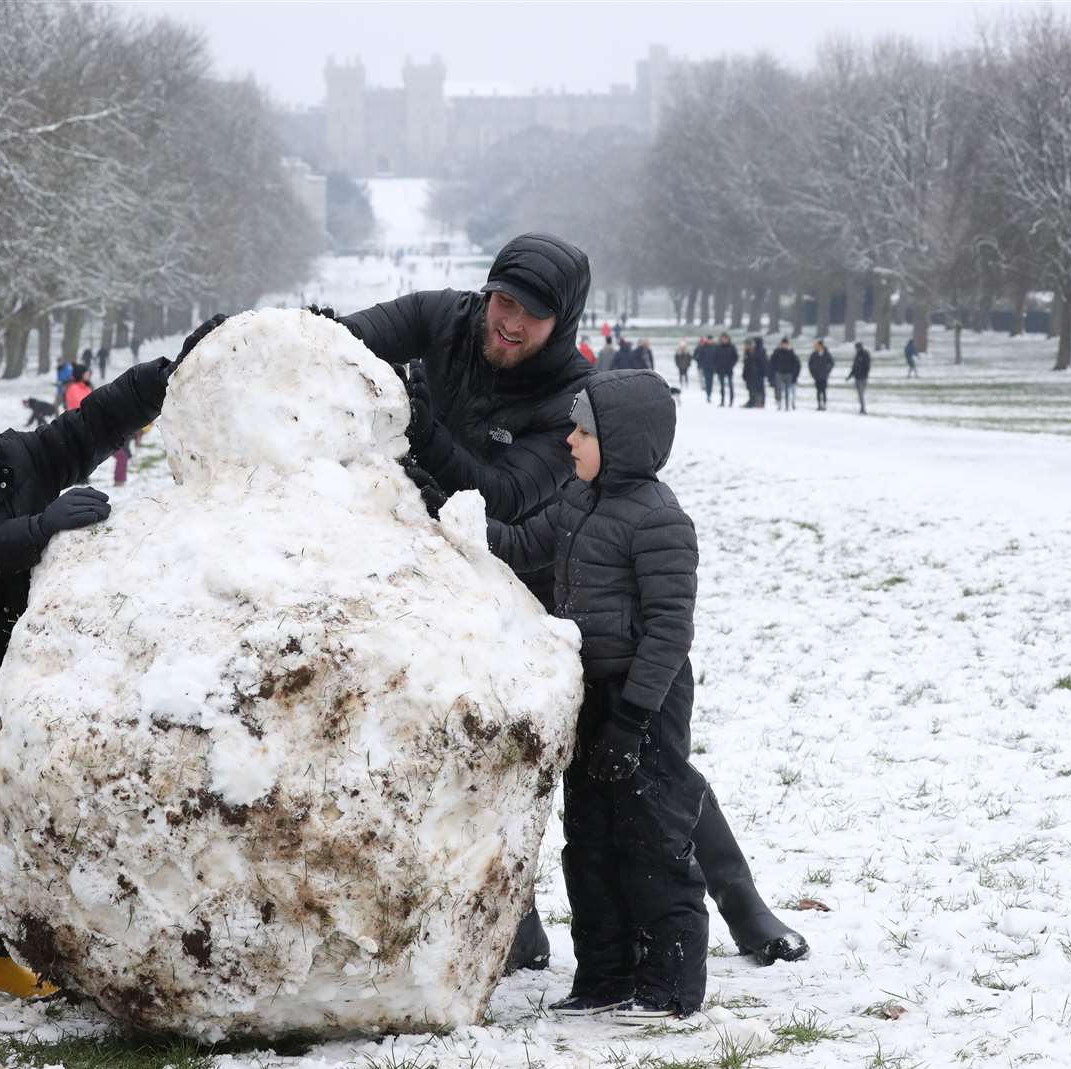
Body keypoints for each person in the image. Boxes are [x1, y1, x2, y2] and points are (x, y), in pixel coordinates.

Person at [336, 232, 806, 975]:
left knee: (646, 767)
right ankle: (515, 923)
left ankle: (743, 904)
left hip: (549, 589)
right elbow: (337, 336)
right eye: (505, 301)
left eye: (534, 314)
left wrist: (422, 429)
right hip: (430, 575)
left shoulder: (574, 399)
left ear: (567, 322)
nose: (511, 322)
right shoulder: (440, 318)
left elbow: (509, 496)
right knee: (475, 748)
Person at [0, 313, 224, 1019]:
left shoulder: (17, 460)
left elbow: (92, 424)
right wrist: (44, 526)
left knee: (4, 821)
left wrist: (175, 367)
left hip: (22, 678)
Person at [485, 369, 706, 1020]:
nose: (570, 442)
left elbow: (670, 631)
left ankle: (669, 988)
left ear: (625, 440)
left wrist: (632, 721)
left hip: (645, 703)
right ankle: (603, 978)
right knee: (589, 842)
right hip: (589, 695)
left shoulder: (661, 521)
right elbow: (519, 543)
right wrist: (448, 508)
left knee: (653, 838)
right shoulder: (578, 504)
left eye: (584, 431)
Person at [769, 338, 799, 410]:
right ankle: (779, 403)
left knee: (787, 390)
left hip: (789, 373)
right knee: (779, 389)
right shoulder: (777, 352)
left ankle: (787, 404)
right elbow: (772, 361)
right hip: (779, 373)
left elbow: (795, 363)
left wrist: (793, 373)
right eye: (783, 344)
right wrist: (774, 370)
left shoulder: (791, 352)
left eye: (786, 344)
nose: (784, 345)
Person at [807, 341, 836, 410]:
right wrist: (813, 373)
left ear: (821, 346)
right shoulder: (814, 354)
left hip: (824, 376)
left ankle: (824, 404)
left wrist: (827, 370)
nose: (816, 347)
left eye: (817, 346)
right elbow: (810, 364)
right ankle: (819, 405)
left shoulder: (827, 354)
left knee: (824, 391)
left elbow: (831, 363)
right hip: (816, 376)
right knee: (818, 391)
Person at [711, 333, 738, 406]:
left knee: (730, 385)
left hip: (729, 369)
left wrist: (731, 365)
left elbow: (735, 357)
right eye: (723, 338)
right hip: (721, 370)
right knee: (722, 386)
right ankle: (722, 400)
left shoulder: (732, 347)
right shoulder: (718, 347)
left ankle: (731, 401)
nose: (724, 340)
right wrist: (716, 367)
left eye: (725, 338)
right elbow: (715, 358)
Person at [847, 341, 872, 414]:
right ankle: (862, 408)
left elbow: (867, 366)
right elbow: (854, 367)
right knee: (859, 394)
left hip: (862, 377)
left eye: (857, 348)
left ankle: (863, 409)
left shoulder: (865, 354)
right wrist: (850, 376)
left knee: (861, 394)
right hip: (857, 377)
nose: (856, 349)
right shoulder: (857, 355)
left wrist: (864, 374)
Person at [741, 337, 766, 407]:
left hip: (758, 373)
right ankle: (752, 401)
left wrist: (763, 372)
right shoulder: (747, 352)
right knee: (750, 388)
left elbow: (763, 363)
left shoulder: (760, 351)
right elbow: (746, 364)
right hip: (749, 373)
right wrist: (744, 373)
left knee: (759, 388)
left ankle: (760, 402)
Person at [695, 336, 715, 402]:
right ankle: (708, 395)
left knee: (711, 381)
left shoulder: (715, 347)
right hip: (705, 367)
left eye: (711, 340)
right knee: (707, 381)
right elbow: (698, 357)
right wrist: (701, 363)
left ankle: (709, 393)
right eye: (709, 340)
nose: (710, 341)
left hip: (713, 367)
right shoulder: (703, 347)